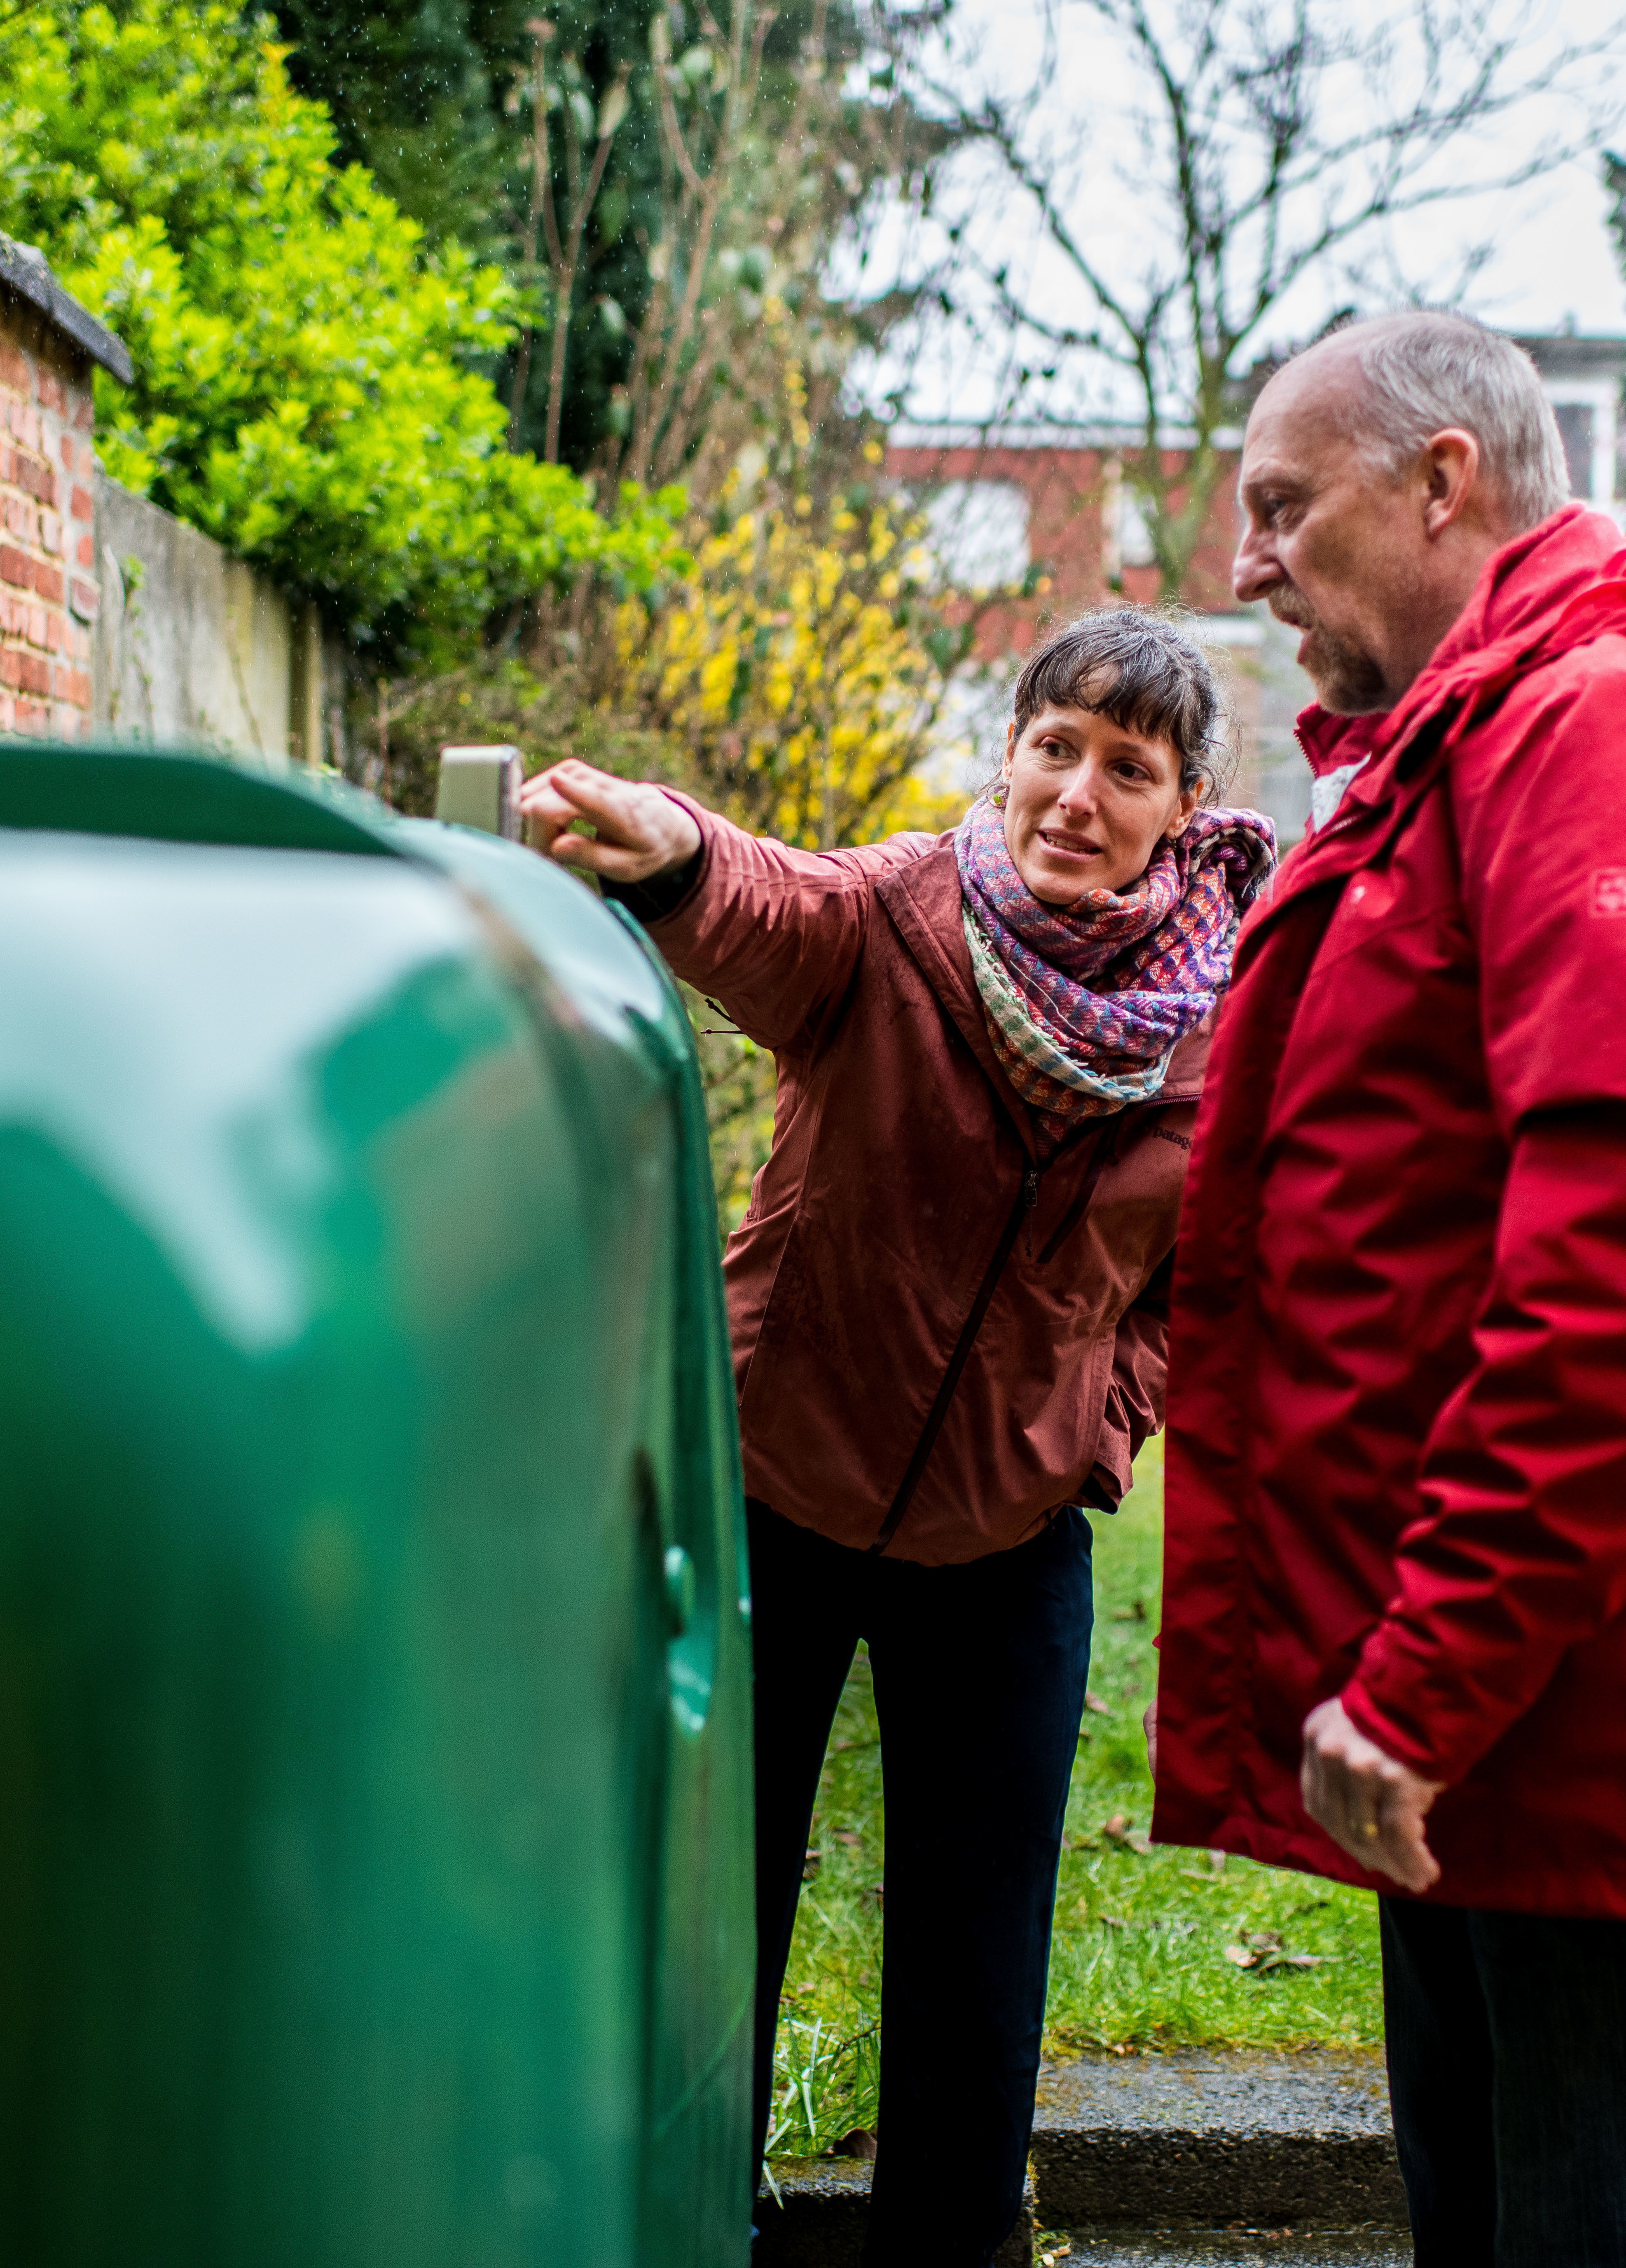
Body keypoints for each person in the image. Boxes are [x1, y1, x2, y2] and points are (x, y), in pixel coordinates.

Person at [1149, 311, 1626, 2267]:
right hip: (1501, 1695)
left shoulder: (1609, 730)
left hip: (1577, 1693)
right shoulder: (1473, 741)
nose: (1248, 563)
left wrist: (1432, 1674)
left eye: (1283, 507)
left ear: (1442, 482)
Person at [519, 611, 1275, 2267]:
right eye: (1056, 747)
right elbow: (763, 900)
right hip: (772, 1490)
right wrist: (667, 845)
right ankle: (685, 2222)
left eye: (1127, 767)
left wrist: (1098, 1420)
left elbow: (1198, 1284)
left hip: (1007, 1536)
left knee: (978, 1943)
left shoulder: (1217, 1033)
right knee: (712, 1904)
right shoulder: (896, 918)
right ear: (1008, 755)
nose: (1079, 793)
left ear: (1184, 804)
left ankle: (947, 2248)